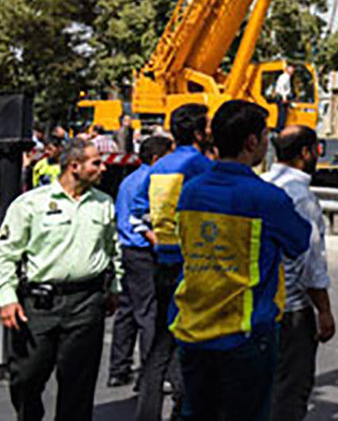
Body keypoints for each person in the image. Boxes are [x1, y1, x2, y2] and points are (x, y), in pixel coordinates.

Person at [171, 100, 309, 419]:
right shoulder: (267, 198)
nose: (266, 143)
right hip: (244, 337)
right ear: (251, 142)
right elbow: (299, 242)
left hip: (193, 329)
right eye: (264, 136)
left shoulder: (191, 190)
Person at [0, 138, 122, 421]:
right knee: (26, 376)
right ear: (74, 166)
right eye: (96, 162)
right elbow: (4, 255)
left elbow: (113, 250)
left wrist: (114, 288)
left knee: (78, 383)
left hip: (86, 303)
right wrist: (7, 298)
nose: (103, 168)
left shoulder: (103, 204)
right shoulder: (31, 204)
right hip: (39, 304)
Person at [131, 103, 213, 421]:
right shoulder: (201, 167)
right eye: (206, 126)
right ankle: (184, 408)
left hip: (162, 261)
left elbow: (139, 212)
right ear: (197, 132)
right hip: (191, 267)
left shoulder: (158, 167)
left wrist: (157, 238)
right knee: (191, 343)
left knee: (160, 345)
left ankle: (147, 412)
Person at [264, 125, 336, 421]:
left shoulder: (261, 184)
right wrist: (325, 311)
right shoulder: (301, 197)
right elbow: (310, 262)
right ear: (306, 153)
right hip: (291, 308)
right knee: (291, 389)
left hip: (257, 305)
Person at [107, 135, 173, 389]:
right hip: (145, 250)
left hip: (128, 250)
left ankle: (118, 367)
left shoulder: (129, 180)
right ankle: (150, 371)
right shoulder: (151, 180)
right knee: (149, 312)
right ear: (157, 158)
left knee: (128, 310)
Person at [274, 63, 295, 131]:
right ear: (287, 69)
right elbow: (282, 88)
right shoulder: (284, 77)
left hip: (282, 96)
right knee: (282, 113)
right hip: (281, 97)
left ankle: (281, 127)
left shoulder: (286, 77)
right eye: (291, 69)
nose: (292, 71)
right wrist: (284, 98)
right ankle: (279, 128)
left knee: (284, 113)